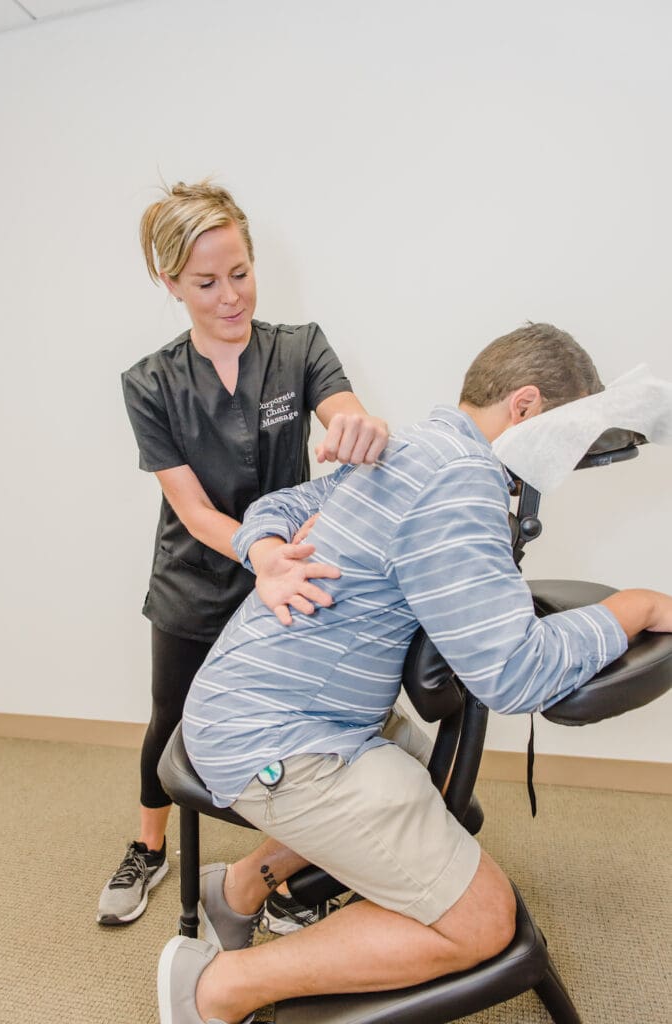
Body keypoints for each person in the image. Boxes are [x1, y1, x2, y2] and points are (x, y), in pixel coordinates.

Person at [157, 323, 672, 1024]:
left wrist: (265, 544)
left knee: (436, 792)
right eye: (571, 431)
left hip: (253, 702)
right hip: (277, 739)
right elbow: (514, 673)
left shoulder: (414, 448)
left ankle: (240, 890)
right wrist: (629, 609)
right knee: (484, 920)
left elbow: (277, 508)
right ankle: (214, 990)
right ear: (524, 407)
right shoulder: (461, 479)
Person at [97, 179, 389, 928]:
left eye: (240, 273)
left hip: (287, 576)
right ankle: (148, 846)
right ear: (169, 283)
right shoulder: (150, 384)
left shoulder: (298, 350)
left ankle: (279, 874)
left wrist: (360, 427)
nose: (231, 296)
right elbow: (192, 510)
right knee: (172, 720)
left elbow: (345, 409)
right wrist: (255, 550)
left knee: (298, 728)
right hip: (196, 577)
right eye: (205, 282)